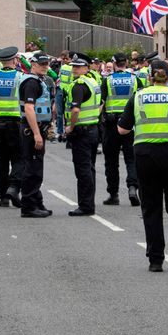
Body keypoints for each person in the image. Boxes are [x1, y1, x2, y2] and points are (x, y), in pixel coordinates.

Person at [117, 59, 168, 272]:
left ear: (149, 76)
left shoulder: (138, 96)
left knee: (151, 207)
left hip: (146, 155)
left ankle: (155, 259)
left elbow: (122, 130)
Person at [17, 52, 56, 218]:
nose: (45, 66)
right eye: (42, 64)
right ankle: (28, 206)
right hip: (32, 129)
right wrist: (36, 134)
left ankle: (36, 202)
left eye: (47, 64)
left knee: (36, 168)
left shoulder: (39, 80)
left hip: (38, 127)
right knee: (32, 169)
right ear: (32, 64)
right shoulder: (31, 82)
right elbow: (29, 108)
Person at [101, 53, 141, 207]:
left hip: (112, 124)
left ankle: (113, 194)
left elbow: (101, 102)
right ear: (127, 63)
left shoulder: (108, 80)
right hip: (130, 124)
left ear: (114, 63)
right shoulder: (135, 79)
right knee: (131, 159)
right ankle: (132, 187)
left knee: (111, 161)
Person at [65, 53, 102, 216]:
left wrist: (70, 128)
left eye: (78, 67)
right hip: (93, 128)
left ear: (86, 68)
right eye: (74, 66)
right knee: (90, 168)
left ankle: (86, 206)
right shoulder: (93, 82)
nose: (75, 69)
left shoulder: (79, 85)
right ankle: (89, 203)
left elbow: (76, 109)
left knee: (83, 170)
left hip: (82, 132)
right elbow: (100, 104)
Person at [0, 46, 24, 206]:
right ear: (15, 59)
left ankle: (3, 195)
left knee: (1, 160)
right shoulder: (20, 77)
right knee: (19, 157)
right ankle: (13, 187)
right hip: (15, 123)